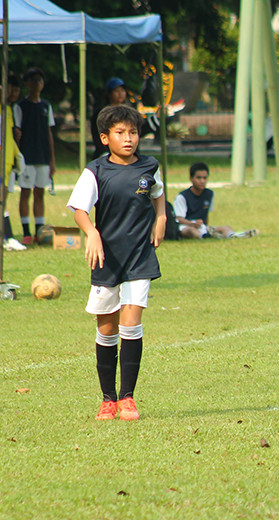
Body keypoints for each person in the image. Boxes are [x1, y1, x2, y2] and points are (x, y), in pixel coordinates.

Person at [67, 105, 166, 421]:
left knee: (131, 324)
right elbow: (79, 209)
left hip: (139, 256)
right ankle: (108, 399)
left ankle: (127, 398)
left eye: (133, 132)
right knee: (107, 327)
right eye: (120, 133)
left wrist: (161, 218)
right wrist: (92, 233)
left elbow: (158, 194)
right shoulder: (95, 171)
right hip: (106, 259)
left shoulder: (149, 166)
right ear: (104, 138)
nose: (128, 139)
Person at [13, 67, 56, 245]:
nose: (37, 83)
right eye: (33, 80)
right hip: (27, 156)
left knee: (40, 192)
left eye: (40, 80)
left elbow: (49, 132)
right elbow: (16, 132)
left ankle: (40, 231)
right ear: (27, 84)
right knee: (25, 192)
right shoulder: (20, 106)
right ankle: (26, 232)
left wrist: (52, 159)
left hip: (42, 156)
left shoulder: (46, 106)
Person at [174, 162, 256, 239]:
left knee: (226, 227)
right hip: (186, 227)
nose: (202, 181)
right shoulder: (182, 197)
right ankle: (207, 236)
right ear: (191, 179)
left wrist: (203, 225)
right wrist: (192, 224)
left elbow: (206, 217)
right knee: (191, 231)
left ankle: (233, 235)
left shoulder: (209, 194)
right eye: (199, 178)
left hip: (202, 227)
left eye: (205, 178)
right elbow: (179, 219)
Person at [90, 77, 159, 160]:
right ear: (109, 93)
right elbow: (97, 135)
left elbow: (141, 129)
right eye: (116, 91)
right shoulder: (101, 113)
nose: (120, 94)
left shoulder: (130, 112)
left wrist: (156, 118)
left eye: (122, 91)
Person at [2, 74, 26, 252]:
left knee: (4, 199)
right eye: (8, 87)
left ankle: (7, 237)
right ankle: (7, 237)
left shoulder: (8, 109)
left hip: (8, 163)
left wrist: (17, 155)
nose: (11, 92)